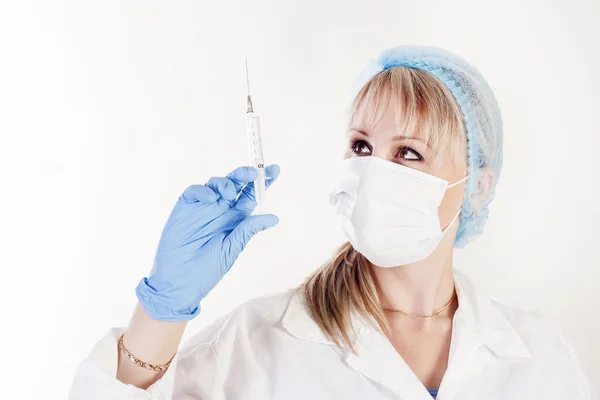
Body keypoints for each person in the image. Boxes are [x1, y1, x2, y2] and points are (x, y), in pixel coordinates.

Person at [70, 45, 598, 400]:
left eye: (409, 153)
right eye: (361, 146)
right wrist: (161, 309)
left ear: (478, 184)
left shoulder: (541, 357)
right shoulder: (256, 347)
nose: (374, 172)